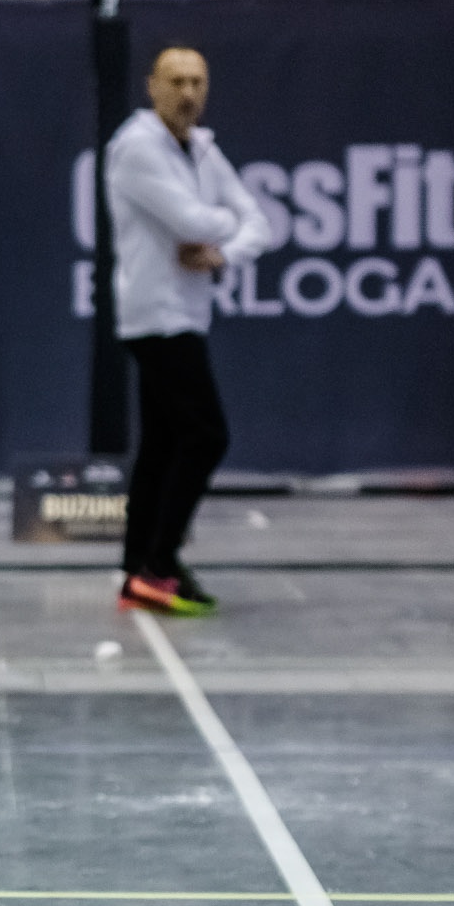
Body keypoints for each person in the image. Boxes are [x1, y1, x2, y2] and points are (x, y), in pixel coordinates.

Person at [105, 44, 270, 615]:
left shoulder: (202, 147)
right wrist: (227, 226)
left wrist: (223, 253)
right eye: (176, 81)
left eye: (197, 82)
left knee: (162, 443)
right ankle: (159, 564)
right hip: (155, 315)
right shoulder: (135, 147)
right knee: (206, 435)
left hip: (188, 314)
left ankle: (139, 568)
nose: (188, 93)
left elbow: (260, 222)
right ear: (151, 86)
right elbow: (193, 220)